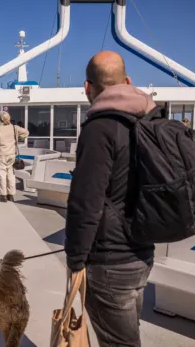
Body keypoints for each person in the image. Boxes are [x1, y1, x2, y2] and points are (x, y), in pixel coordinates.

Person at [65, 51, 156, 347]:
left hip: (109, 262)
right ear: (128, 82)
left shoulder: (98, 129)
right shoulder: (149, 121)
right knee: (128, 334)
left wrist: (75, 259)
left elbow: (85, 202)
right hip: (142, 254)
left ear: (87, 87)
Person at [0, 111, 28, 202]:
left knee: (2, 174)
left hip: (1, 153)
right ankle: (11, 194)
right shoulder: (15, 128)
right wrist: (17, 138)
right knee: (11, 174)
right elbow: (26, 133)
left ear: (1, 119)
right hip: (12, 154)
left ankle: (3, 195)